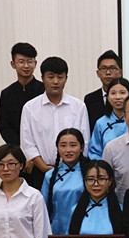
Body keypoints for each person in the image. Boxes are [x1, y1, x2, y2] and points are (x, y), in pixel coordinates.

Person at [20, 56, 90, 190]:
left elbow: (85, 141)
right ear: (42, 78)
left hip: (73, 171)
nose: (56, 81)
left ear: (66, 78)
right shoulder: (30, 108)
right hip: (41, 170)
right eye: (51, 77)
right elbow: (27, 143)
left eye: (60, 77)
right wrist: (44, 168)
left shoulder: (78, 106)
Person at [0, 43, 44, 186]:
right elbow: (4, 126)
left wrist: (34, 156)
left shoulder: (44, 91)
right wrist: (22, 152)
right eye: (21, 61)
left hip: (42, 155)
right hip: (18, 156)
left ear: (35, 64)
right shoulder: (7, 94)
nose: (26, 66)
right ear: (13, 64)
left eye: (30, 61)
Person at [41, 128, 87, 235]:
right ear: (57, 148)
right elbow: (43, 209)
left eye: (73, 145)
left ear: (82, 147)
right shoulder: (49, 175)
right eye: (63, 145)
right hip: (57, 231)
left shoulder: (90, 173)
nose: (68, 150)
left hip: (84, 230)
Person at [84, 50, 122, 133]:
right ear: (98, 73)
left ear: (120, 72)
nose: (108, 72)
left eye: (112, 68)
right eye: (104, 68)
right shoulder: (90, 99)